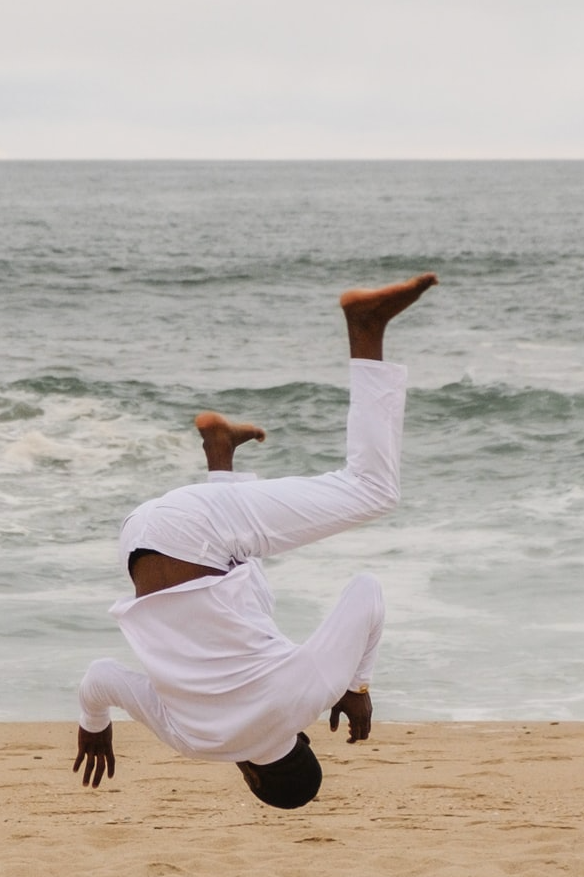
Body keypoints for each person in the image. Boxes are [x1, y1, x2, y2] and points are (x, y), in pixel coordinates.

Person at [72, 273, 438, 809]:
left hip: (200, 528)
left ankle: (366, 327)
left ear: (305, 743)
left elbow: (367, 591)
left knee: (373, 493)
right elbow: (99, 677)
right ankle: (220, 452)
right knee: (250, 610)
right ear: (252, 778)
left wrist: (355, 686)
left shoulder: (303, 697)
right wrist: (93, 724)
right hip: (137, 537)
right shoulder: (191, 741)